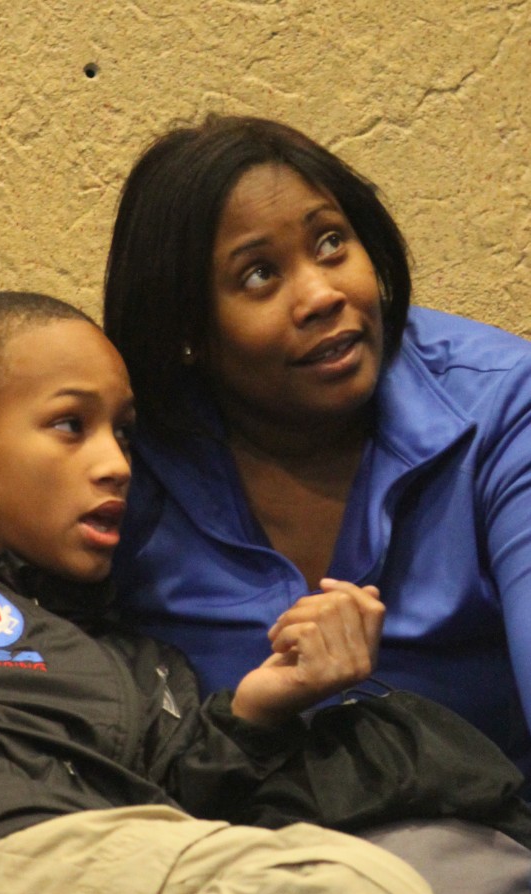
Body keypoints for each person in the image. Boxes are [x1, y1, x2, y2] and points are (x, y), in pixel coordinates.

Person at [0, 290, 446, 894]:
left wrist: (260, 704)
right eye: (70, 425)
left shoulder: (147, 663)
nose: (116, 464)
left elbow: (179, 796)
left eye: (123, 434)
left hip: (123, 882)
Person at [103, 113, 531, 793]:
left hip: (479, 857)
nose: (321, 295)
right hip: (215, 863)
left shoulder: (503, 408)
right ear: (185, 327)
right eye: (258, 276)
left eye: (331, 242)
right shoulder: (124, 453)